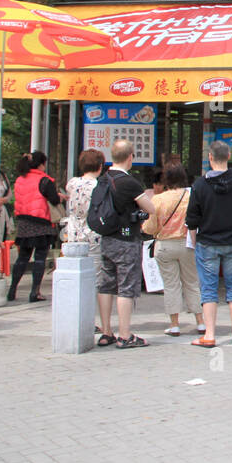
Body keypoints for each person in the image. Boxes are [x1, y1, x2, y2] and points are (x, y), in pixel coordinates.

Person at [185, 140, 232, 348]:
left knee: (208, 289)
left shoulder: (199, 185)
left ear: (210, 158)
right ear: (228, 157)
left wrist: (194, 241)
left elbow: (192, 219)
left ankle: (209, 335)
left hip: (207, 243)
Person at [96, 139, 156, 349]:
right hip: (126, 239)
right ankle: (125, 334)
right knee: (126, 288)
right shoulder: (129, 182)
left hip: (106, 239)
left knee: (106, 284)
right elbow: (150, 208)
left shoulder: (103, 179)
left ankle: (106, 332)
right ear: (130, 157)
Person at [142, 161, 204, 337]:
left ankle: (175, 325)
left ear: (166, 179)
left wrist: (146, 228)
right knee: (192, 283)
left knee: (171, 285)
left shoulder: (159, 199)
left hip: (165, 246)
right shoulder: (191, 196)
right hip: (188, 245)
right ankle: (200, 322)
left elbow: (150, 227)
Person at [9, 150, 64, 304]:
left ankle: (12, 289)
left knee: (23, 257)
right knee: (40, 257)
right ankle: (35, 292)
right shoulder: (45, 180)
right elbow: (53, 200)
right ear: (41, 164)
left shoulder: (20, 179)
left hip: (23, 222)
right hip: (41, 222)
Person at [63, 149, 106, 332]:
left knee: (74, 277)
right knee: (94, 280)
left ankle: (72, 316)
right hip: (93, 234)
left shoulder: (72, 183)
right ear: (100, 166)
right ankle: (88, 320)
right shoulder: (99, 186)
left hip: (73, 234)